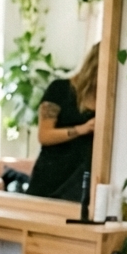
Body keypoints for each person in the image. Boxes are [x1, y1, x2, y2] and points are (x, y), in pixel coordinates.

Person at [27, 44, 99, 201]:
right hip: (51, 177)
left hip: (79, 184)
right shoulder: (60, 89)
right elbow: (44, 135)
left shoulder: (106, 101)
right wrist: (81, 129)